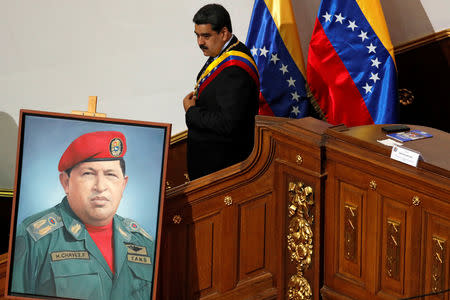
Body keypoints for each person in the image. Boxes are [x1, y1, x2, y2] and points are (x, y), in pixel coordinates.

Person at [11, 131, 155, 300]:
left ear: (123, 185)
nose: (100, 186)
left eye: (110, 175)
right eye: (88, 173)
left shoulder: (142, 242)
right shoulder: (33, 238)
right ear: (66, 182)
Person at [183, 4, 260, 180]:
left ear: (224, 33)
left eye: (206, 36)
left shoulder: (235, 69)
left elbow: (228, 124)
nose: (200, 42)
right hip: (213, 166)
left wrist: (191, 111)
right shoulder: (223, 52)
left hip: (223, 171)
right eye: (197, 35)